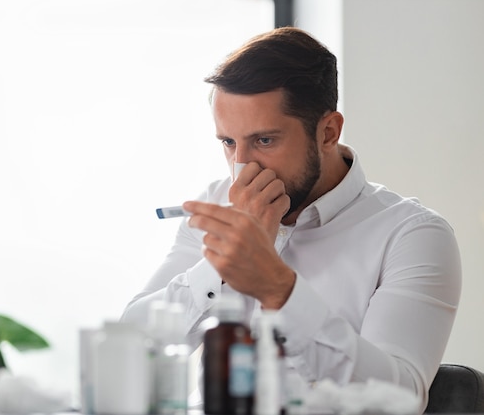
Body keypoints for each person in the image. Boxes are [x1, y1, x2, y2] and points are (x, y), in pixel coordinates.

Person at [120, 26, 461, 413]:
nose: (242, 167)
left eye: (265, 141)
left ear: (328, 132)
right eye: (229, 143)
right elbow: (129, 350)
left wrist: (278, 288)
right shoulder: (215, 204)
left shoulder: (413, 235)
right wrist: (221, 264)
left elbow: (397, 402)